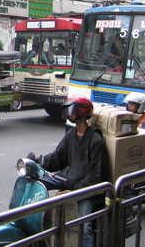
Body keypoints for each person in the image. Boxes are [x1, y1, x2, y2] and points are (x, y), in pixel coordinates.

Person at [36, 95, 107, 247]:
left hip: (86, 190)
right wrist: (40, 163)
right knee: (56, 220)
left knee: (85, 226)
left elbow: (95, 175)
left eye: (72, 110)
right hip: (69, 183)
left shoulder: (96, 140)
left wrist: (75, 191)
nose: (69, 114)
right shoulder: (71, 135)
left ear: (82, 112)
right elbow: (58, 157)